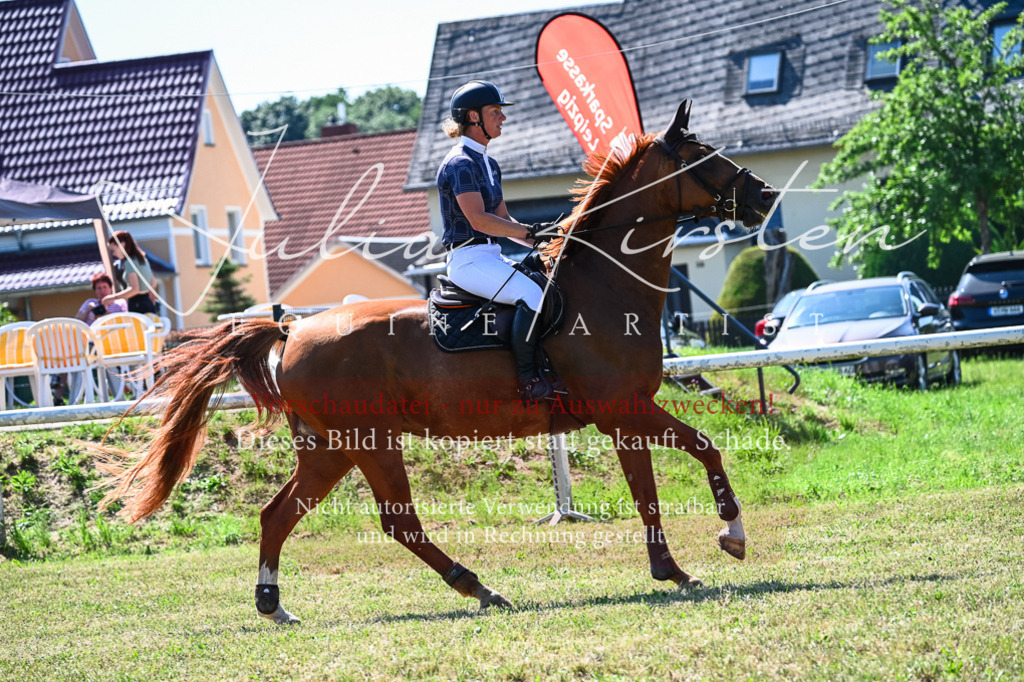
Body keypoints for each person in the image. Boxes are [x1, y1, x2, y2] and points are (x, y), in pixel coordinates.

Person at [437, 80, 560, 402]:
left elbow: (504, 221)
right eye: (496, 112)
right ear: (473, 117)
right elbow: (479, 220)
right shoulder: (459, 163)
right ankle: (528, 381)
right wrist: (526, 233)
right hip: (468, 261)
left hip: (490, 256)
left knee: (550, 282)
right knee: (532, 294)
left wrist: (543, 241)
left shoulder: (489, 164)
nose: (502, 118)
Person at [104, 231, 157, 315]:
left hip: (137, 305)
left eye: (113, 250)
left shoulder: (129, 262)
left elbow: (134, 289)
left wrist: (113, 298)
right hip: (148, 304)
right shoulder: (143, 259)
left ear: (122, 244)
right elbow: (153, 283)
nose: (113, 254)